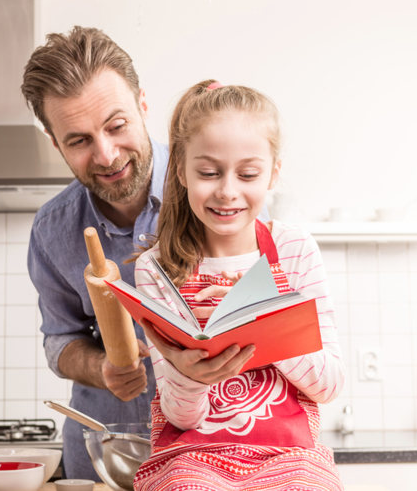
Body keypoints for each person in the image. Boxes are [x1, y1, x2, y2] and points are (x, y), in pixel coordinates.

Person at [20, 28, 249, 480]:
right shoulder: (52, 230)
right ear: (55, 143)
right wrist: (102, 367)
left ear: (143, 105)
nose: (106, 155)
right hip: (108, 458)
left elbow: (271, 311)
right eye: (79, 140)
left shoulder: (218, 191)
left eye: (116, 125)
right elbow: (60, 340)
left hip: (217, 456)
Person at [133, 80, 345, 490]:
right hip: (191, 459)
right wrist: (191, 374)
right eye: (208, 172)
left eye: (248, 173)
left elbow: (330, 384)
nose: (228, 191)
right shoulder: (156, 269)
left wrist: (267, 320)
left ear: (272, 173)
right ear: (181, 170)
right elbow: (181, 416)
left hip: (290, 459)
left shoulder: (293, 249)